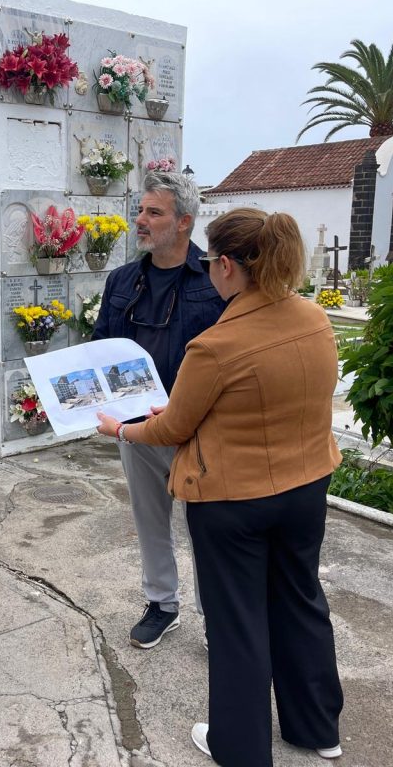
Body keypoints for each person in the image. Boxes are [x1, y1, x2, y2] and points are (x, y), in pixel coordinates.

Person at [95, 207, 345, 766]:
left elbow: (173, 428)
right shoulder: (314, 318)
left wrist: (123, 428)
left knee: (239, 622)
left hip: (235, 502)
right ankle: (317, 728)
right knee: (302, 601)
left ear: (228, 266)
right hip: (305, 488)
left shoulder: (216, 345)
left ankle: (239, 746)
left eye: (213, 261)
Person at [91, 170, 225, 649]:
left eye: (154, 212)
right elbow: (101, 345)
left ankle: (216, 618)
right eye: (140, 210)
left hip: (197, 429)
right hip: (137, 428)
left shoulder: (215, 280)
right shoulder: (122, 280)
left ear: (184, 221)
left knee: (207, 529)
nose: (140, 221)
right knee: (150, 520)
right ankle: (162, 604)